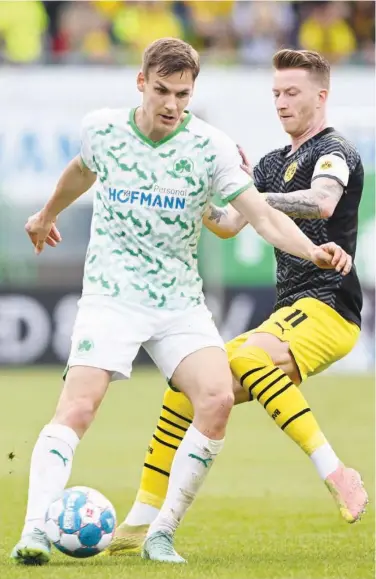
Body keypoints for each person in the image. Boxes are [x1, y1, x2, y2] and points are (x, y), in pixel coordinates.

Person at [11, 39, 351, 565]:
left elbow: (261, 216)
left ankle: (161, 532)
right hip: (113, 293)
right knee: (79, 405)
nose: (172, 105)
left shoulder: (209, 147)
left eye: (183, 94)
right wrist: (46, 214)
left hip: (178, 302)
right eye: (163, 91)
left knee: (215, 400)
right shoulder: (103, 128)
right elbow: (82, 169)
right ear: (141, 83)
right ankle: (33, 530)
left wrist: (313, 250)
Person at [102, 48, 368, 557]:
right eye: (275, 94)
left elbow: (322, 201)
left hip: (331, 306)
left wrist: (249, 197)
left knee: (243, 356)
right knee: (190, 388)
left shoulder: (336, 151)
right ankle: (144, 525)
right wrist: (199, 191)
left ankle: (336, 471)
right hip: (289, 311)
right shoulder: (270, 163)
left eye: (292, 93)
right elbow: (226, 225)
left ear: (321, 95)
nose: (282, 103)